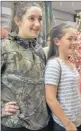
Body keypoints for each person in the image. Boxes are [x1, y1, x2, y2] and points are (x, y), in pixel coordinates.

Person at [1, 2, 49, 131]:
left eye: (40, 19)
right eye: (31, 18)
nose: (37, 24)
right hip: (15, 124)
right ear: (18, 20)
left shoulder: (39, 50)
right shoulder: (4, 47)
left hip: (42, 122)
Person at [44, 23, 81, 131]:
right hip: (63, 125)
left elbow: (76, 92)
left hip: (76, 121)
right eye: (69, 39)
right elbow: (50, 98)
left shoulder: (70, 63)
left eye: (75, 39)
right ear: (57, 41)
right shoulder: (54, 64)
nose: (74, 43)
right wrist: (67, 123)